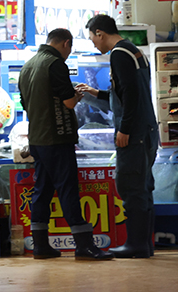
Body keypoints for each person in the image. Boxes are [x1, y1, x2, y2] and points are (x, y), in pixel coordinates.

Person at [18, 29, 114, 261]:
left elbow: (25, 103)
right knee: (68, 188)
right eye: (70, 49)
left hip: (37, 139)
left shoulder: (28, 65)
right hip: (57, 138)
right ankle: (84, 245)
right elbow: (69, 102)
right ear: (66, 43)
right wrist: (79, 94)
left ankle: (40, 245)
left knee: (42, 189)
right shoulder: (55, 64)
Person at [77, 14, 159, 259]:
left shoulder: (118, 54)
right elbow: (123, 92)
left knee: (131, 187)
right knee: (143, 187)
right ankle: (144, 244)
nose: (94, 44)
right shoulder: (133, 51)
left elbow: (131, 95)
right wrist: (96, 93)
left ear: (100, 33)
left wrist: (124, 129)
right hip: (146, 130)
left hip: (134, 134)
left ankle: (135, 245)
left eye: (93, 39)